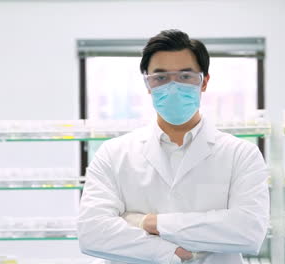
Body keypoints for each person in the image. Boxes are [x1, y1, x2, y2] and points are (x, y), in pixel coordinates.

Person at [77, 29, 270, 264]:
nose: (173, 87)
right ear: (148, 84)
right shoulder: (113, 154)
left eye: (185, 76)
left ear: (204, 82)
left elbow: (248, 232)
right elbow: (92, 234)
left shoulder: (241, 155)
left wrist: (148, 223)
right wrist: (167, 253)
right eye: (160, 77)